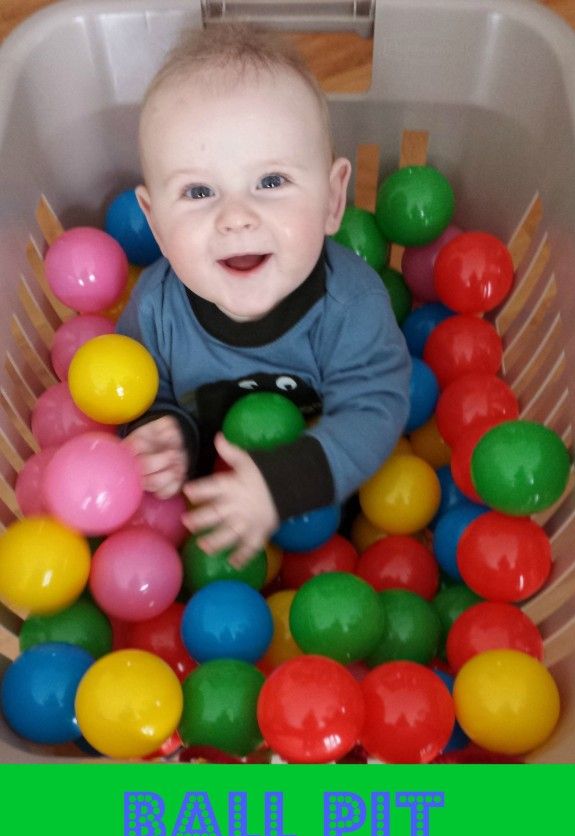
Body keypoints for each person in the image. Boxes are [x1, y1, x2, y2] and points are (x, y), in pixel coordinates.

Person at [119, 23, 410, 567]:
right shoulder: (155, 309)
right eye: (199, 191)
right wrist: (165, 438)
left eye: (271, 182)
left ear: (332, 198)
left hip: (332, 526)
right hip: (202, 534)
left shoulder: (352, 306)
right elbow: (144, 396)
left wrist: (282, 487)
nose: (235, 217)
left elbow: (376, 406)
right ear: (154, 223)